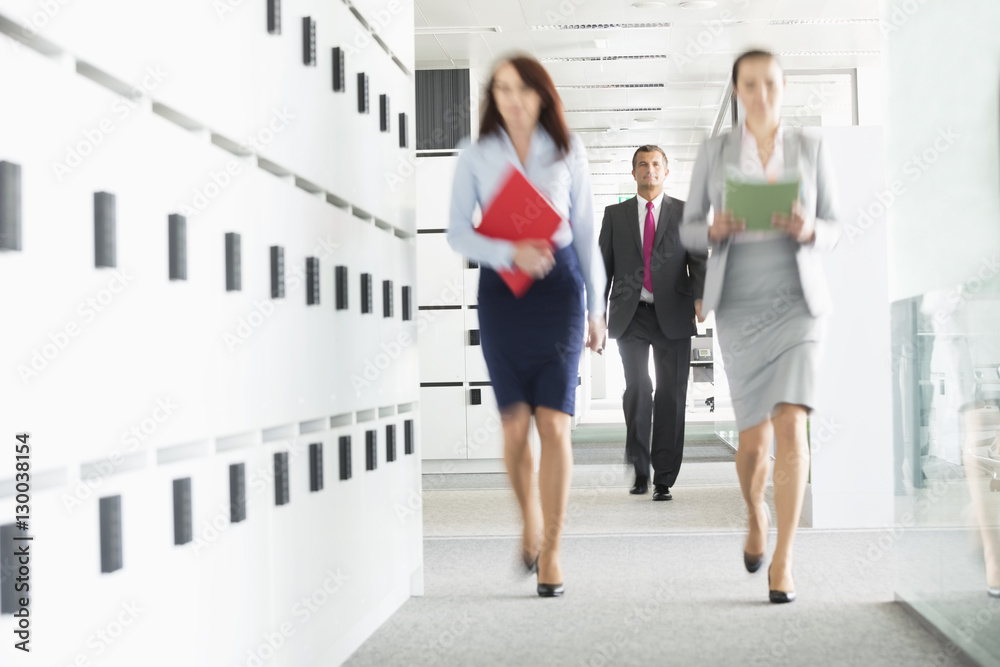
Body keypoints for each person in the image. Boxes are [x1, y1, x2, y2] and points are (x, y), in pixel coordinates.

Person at [679, 49, 841, 603]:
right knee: (754, 441)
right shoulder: (715, 151)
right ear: (738, 89)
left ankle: (786, 560)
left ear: (784, 85)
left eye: (770, 83)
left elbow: (838, 226)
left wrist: (809, 226)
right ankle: (755, 514)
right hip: (742, 302)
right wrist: (714, 227)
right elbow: (688, 231)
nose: (762, 93)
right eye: (750, 85)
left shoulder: (811, 148)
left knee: (793, 423)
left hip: (797, 301)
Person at [447, 54, 607, 598]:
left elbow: (584, 230)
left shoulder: (568, 149)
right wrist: (506, 247)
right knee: (514, 424)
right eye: (501, 90)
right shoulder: (474, 154)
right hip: (502, 292)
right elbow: (456, 234)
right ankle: (530, 522)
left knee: (554, 425)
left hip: (559, 289)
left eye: (522, 89)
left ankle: (554, 550)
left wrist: (597, 308)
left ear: (542, 94)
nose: (512, 99)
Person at [598, 146, 707, 500]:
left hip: (673, 315)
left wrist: (701, 297)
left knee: (671, 396)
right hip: (631, 315)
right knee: (639, 390)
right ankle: (640, 469)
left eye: (656, 164)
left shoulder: (686, 213)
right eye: (643, 165)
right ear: (634, 173)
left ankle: (663, 478)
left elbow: (700, 260)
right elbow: (603, 269)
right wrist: (595, 315)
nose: (650, 170)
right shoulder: (615, 215)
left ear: (666, 172)